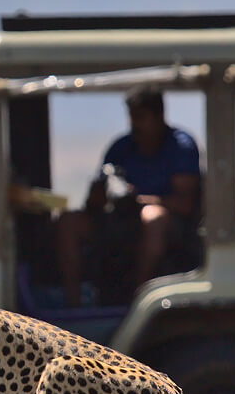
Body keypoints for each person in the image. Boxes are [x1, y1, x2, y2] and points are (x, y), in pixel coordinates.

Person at [56, 85, 201, 307]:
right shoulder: (122, 147)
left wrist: (141, 200)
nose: (135, 125)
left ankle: (136, 302)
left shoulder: (180, 146)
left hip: (169, 227)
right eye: (132, 117)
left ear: (159, 116)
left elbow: (185, 204)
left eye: (141, 118)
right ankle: (73, 305)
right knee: (69, 221)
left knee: (154, 218)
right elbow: (94, 203)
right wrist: (97, 197)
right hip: (120, 220)